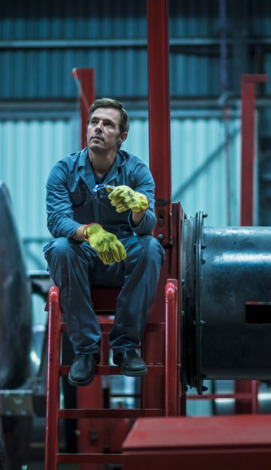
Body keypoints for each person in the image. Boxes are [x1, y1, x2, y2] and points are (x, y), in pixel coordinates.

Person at [43, 98, 165, 387]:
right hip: (81, 257)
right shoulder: (64, 170)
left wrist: (138, 206)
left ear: (121, 137)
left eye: (107, 124)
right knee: (60, 248)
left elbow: (148, 226)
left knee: (151, 248)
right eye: (94, 122)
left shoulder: (136, 172)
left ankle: (124, 348)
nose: (98, 128)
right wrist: (89, 232)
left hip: (121, 257)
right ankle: (85, 351)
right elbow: (56, 222)